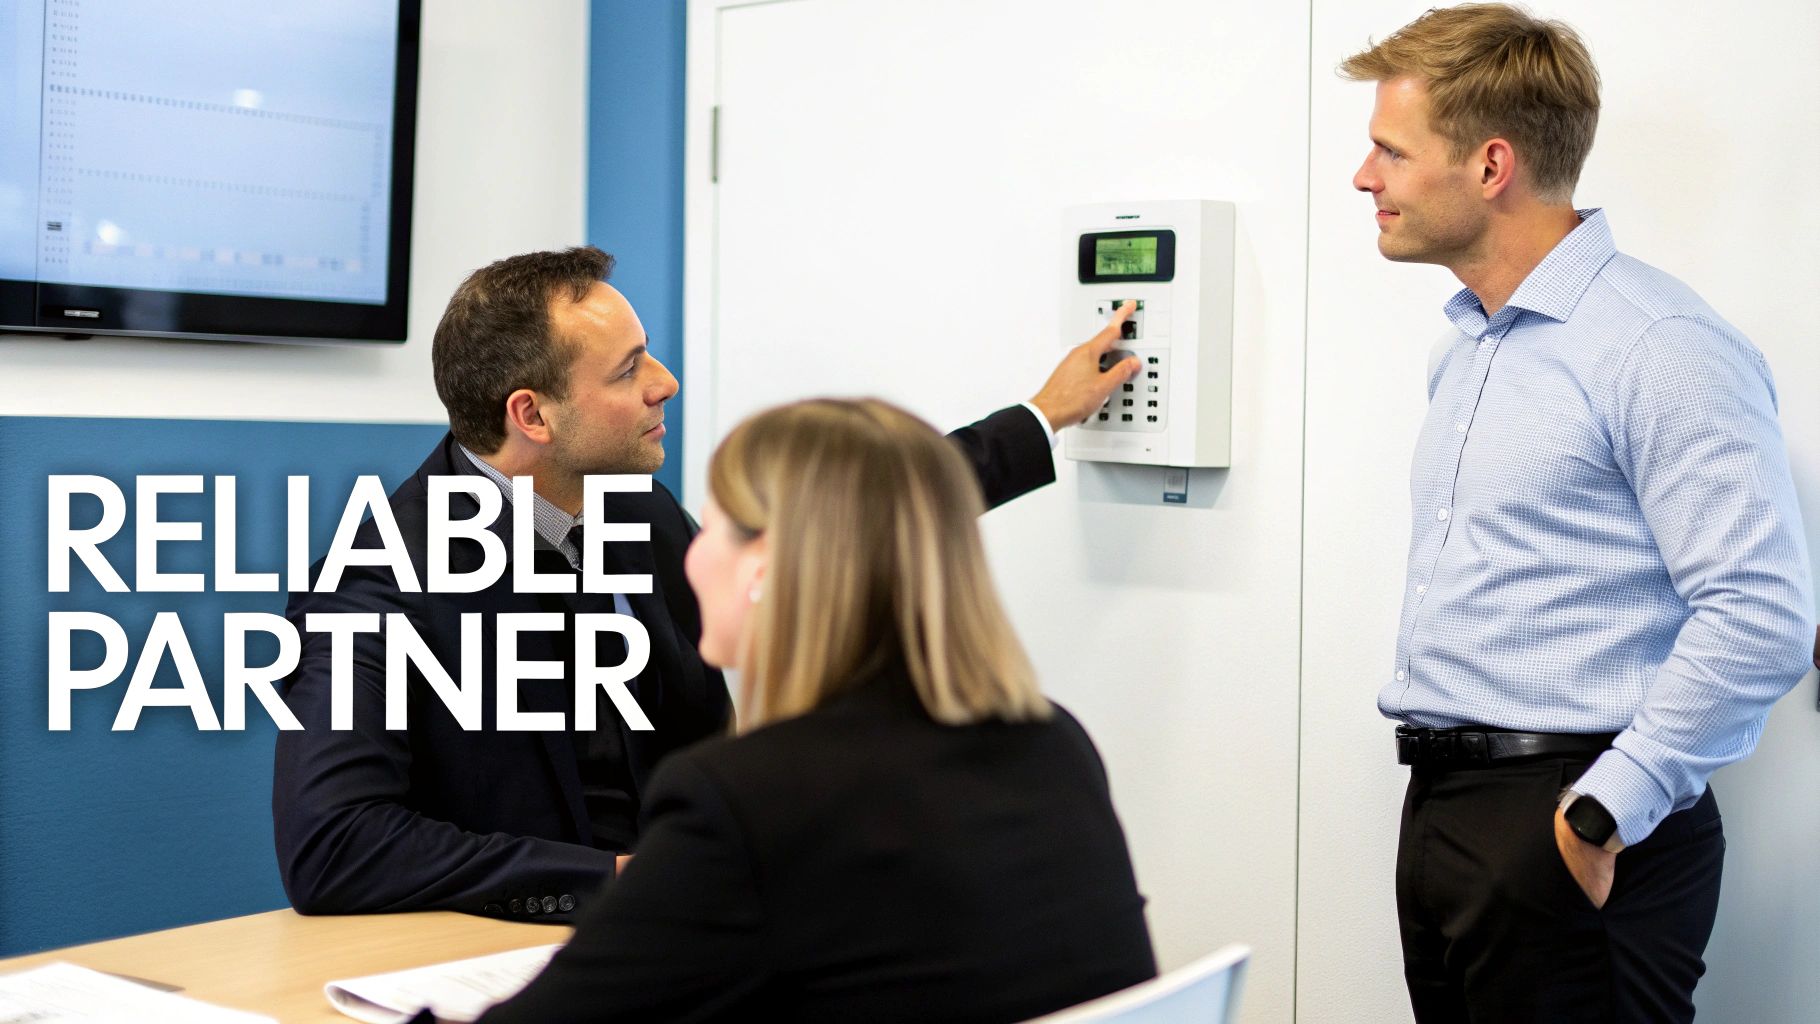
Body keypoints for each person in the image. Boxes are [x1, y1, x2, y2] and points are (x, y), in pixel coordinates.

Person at [272, 246, 1142, 923]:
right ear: (531, 414)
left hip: (707, 926)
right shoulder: (373, 581)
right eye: (628, 370)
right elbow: (334, 845)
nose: (666, 383)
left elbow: (839, 525)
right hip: (530, 949)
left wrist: (1039, 418)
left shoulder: (634, 508)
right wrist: (621, 878)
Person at [1340, 6, 1814, 1021]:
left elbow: (1762, 613)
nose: (1363, 177)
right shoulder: (1467, 349)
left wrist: (1601, 811)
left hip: (1578, 814)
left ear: (1490, 165)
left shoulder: (1659, 345)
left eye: (1390, 150)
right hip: (1448, 809)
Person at [462, 397, 1156, 1023]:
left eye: (711, 529)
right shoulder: (1054, 742)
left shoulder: (747, 802)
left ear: (762, 569)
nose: (689, 557)